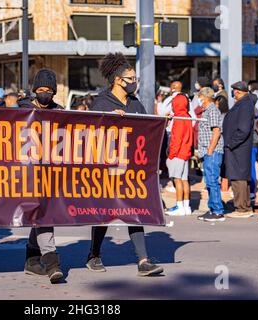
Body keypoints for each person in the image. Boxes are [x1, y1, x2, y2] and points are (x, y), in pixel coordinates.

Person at [86, 53, 164, 277]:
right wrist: (109, 120)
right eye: (130, 78)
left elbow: (147, 134)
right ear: (118, 80)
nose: (134, 82)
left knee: (135, 211)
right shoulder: (101, 103)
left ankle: (143, 260)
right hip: (107, 170)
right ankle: (94, 254)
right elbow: (90, 135)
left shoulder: (136, 104)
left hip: (132, 170)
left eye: (135, 78)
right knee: (105, 213)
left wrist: (158, 126)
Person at [18, 68, 64, 284]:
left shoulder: (60, 112)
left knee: (42, 213)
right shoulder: (20, 111)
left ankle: (32, 260)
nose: (45, 93)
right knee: (43, 214)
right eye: (41, 89)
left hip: (51, 172)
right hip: (26, 172)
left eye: (49, 90)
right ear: (35, 90)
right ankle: (52, 263)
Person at [222, 81, 255, 218]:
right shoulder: (244, 103)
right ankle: (245, 207)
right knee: (240, 178)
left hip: (238, 148)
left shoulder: (245, 105)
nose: (233, 94)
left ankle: (241, 209)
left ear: (238, 92)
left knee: (238, 178)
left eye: (235, 91)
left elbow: (243, 129)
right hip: (238, 147)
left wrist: (230, 143)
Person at [195, 88, 225, 222]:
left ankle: (217, 211)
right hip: (207, 151)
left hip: (212, 152)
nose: (199, 99)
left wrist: (210, 150)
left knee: (212, 181)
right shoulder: (206, 111)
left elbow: (216, 131)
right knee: (209, 182)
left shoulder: (212, 110)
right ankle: (213, 208)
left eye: (200, 97)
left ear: (206, 97)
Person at [165, 86, 193, 216]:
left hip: (178, 152)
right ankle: (187, 206)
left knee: (177, 180)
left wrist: (171, 155)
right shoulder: (187, 116)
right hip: (186, 151)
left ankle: (179, 205)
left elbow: (176, 138)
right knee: (184, 179)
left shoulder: (179, 118)